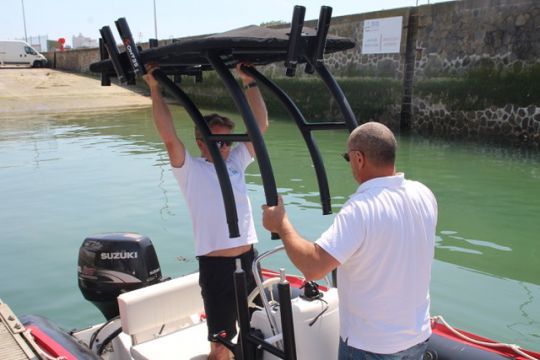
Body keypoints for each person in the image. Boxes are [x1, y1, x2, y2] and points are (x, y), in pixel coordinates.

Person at [262, 122, 438, 360]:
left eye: (348, 158)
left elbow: (314, 267)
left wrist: (281, 225)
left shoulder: (360, 208)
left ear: (358, 158)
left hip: (372, 346)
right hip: (416, 338)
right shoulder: (423, 194)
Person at [143, 62, 268, 360]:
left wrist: (250, 83)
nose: (225, 147)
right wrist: (154, 89)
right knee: (220, 345)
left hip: (249, 262)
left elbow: (260, 126)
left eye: (228, 141)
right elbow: (169, 136)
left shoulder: (235, 163)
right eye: (218, 140)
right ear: (201, 141)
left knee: (260, 330)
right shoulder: (191, 170)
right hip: (217, 270)